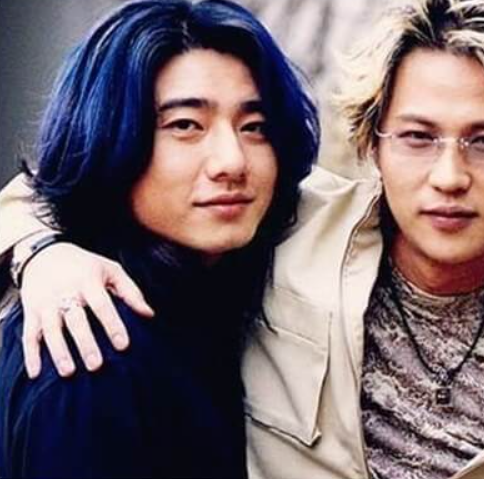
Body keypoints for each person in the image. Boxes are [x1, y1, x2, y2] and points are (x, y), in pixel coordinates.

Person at [1, 0, 484, 478]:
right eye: (418, 137)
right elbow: (61, 181)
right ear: (373, 145)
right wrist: (43, 254)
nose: (449, 177)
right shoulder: (293, 227)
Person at [0, 0, 319, 477]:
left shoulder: (220, 296)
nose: (232, 162)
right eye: (185, 126)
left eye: (255, 127)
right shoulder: (91, 346)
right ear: (110, 136)